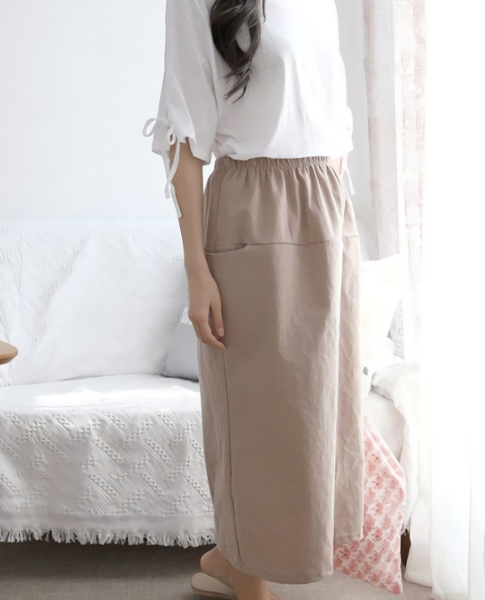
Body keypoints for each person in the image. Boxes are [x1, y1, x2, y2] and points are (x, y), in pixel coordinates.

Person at [143, 1, 365, 599]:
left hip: (327, 205)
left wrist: (335, 216)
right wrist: (197, 269)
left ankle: (229, 559)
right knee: (256, 415)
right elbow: (184, 135)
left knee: (318, 412)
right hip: (253, 202)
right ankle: (247, 574)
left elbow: (331, 112)